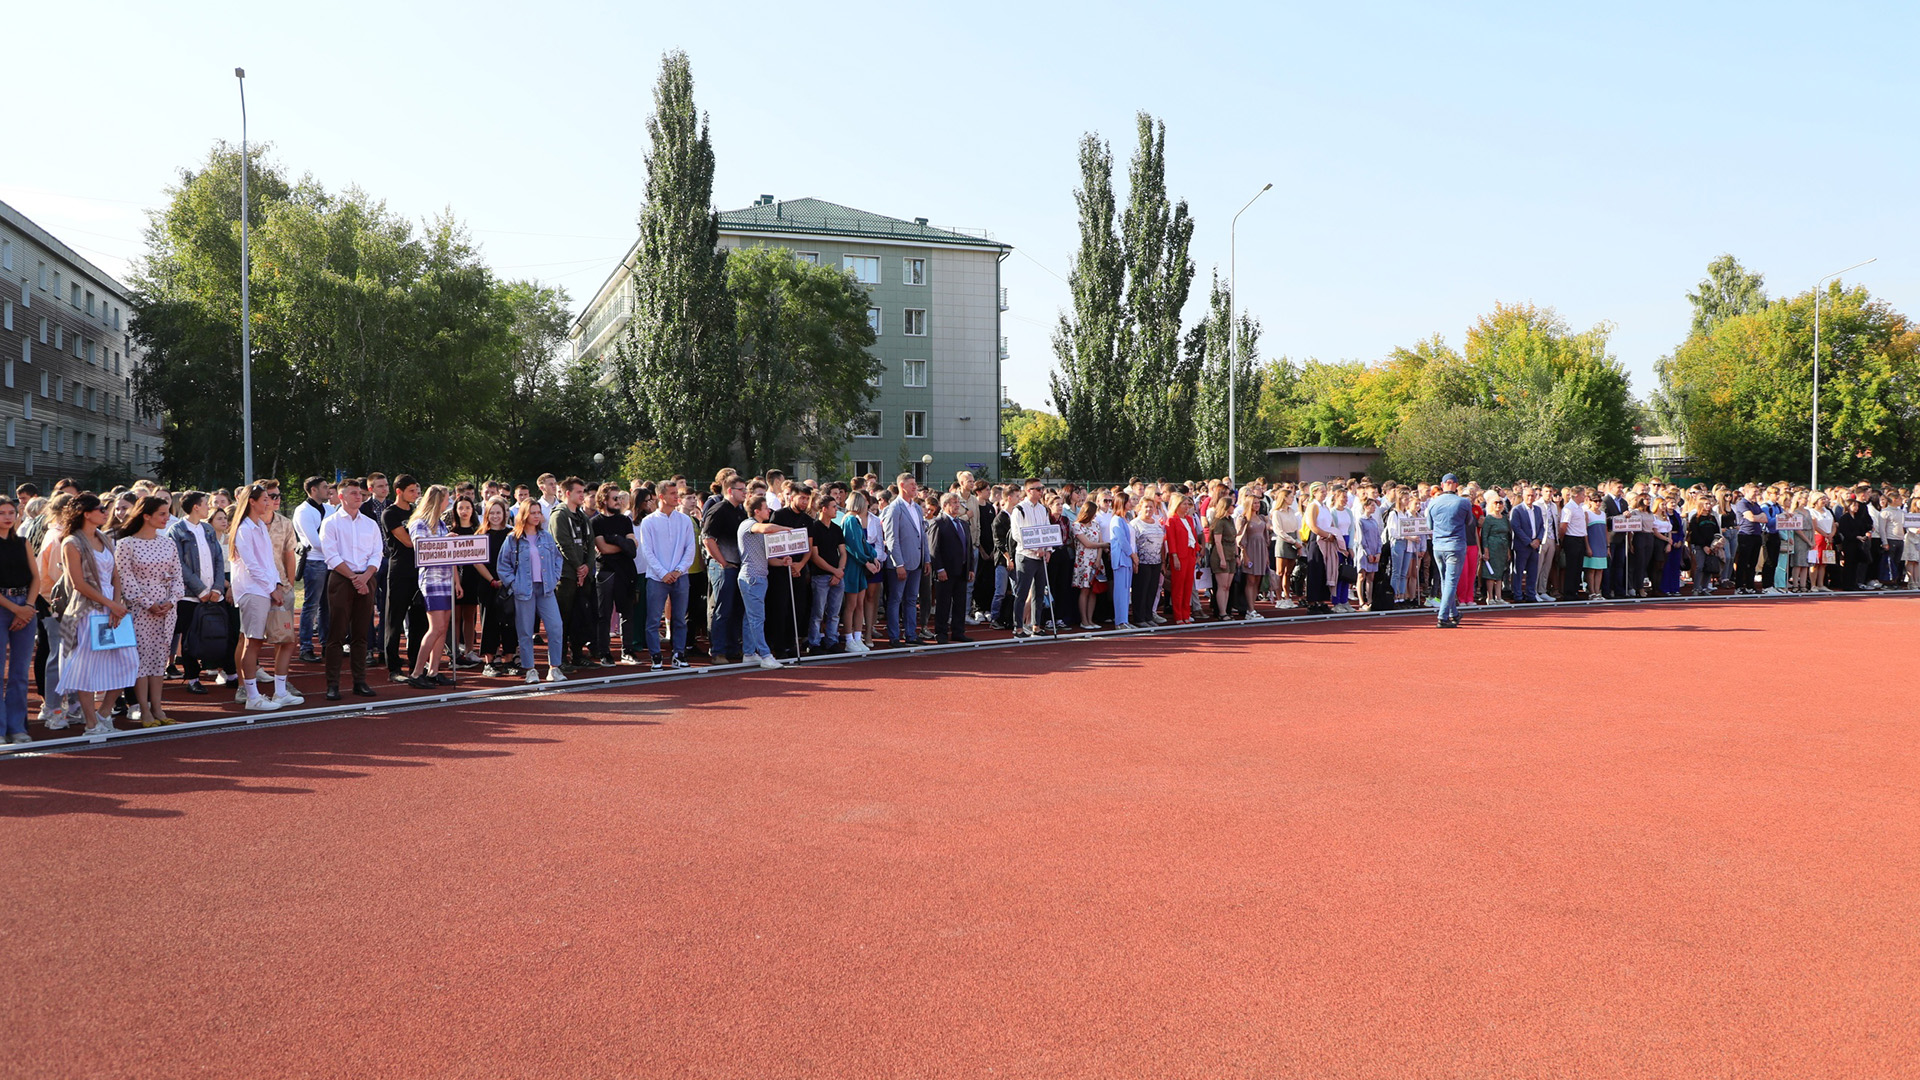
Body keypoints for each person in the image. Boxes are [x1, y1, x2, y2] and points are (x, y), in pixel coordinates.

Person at [55, 495, 137, 734]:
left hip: (113, 608)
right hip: (88, 610)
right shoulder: (71, 542)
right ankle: (91, 724)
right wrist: (110, 604)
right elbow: (78, 583)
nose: (105, 512)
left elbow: (116, 575)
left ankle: (103, 714)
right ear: (86, 513)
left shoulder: (104, 538)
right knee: (86, 667)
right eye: (101, 509)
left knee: (129, 661)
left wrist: (116, 604)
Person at [114, 496, 185, 727]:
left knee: (159, 658)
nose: (167, 518)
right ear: (146, 516)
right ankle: (143, 709)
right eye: (162, 514)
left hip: (167, 609)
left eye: (167, 513)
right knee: (141, 659)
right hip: (140, 610)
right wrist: (147, 603)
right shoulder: (126, 544)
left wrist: (171, 601)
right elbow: (124, 578)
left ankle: (158, 708)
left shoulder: (168, 543)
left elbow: (178, 576)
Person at [318, 478, 382, 700]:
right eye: (353, 493)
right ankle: (333, 685)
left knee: (361, 634)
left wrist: (364, 577)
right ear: (341, 496)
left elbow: (377, 554)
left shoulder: (370, 524)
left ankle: (360, 682)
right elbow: (331, 555)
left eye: (360, 493)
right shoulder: (331, 523)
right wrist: (354, 578)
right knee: (336, 633)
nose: (359, 496)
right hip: (342, 579)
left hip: (366, 578)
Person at [227, 485, 290, 711]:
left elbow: (268, 561)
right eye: (264, 499)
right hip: (252, 591)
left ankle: (278, 692)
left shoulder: (260, 526)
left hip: (265, 589)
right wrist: (271, 588)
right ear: (251, 502)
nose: (268, 502)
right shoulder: (244, 529)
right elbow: (252, 564)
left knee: (269, 640)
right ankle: (252, 696)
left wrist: (277, 584)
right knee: (252, 641)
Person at [496, 498, 567, 684]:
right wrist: (514, 584)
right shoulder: (512, 539)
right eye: (533, 513)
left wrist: (554, 577)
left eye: (538, 513)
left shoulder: (546, 536)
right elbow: (503, 565)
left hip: (546, 589)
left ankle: (554, 668)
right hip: (524, 590)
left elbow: (557, 558)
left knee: (555, 626)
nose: (537, 516)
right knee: (525, 631)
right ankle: (530, 669)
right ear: (524, 515)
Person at [405, 485, 459, 689]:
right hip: (432, 580)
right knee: (435, 627)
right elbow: (422, 551)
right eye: (446, 499)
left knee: (443, 627)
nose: (449, 503)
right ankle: (417, 672)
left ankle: (433, 671)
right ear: (438, 500)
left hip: (445, 579)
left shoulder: (441, 523)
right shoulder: (419, 523)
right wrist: (445, 542)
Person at [640, 478, 697, 670]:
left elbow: (690, 548)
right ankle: (656, 656)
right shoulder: (648, 522)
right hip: (657, 578)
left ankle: (679, 654)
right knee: (653, 620)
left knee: (680, 618)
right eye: (673, 494)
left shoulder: (685, 520)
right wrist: (664, 573)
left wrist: (678, 571)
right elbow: (647, 551)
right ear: (661, 497)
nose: (676, 497)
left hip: (681, 577)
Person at [736, 494, 796, 669]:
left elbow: (768, 559)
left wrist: (783, 562)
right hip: (752, 578)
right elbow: (765, 528)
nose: (769, 511)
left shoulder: (759, 530)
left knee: (750, 618)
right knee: (757, 618)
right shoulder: (749, 525)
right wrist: (785, 529)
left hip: (759, 578)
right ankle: (765, 654)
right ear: (756, 511)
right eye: (765, 508)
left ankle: (749, 653)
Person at [0, 498, 40, 743]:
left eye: (11, 512)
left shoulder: (23, 542)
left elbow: (36, 577)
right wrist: (16, 609)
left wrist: (28, 607)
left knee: (20, 671)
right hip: (4, 606)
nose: (7, 517)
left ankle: (17, 727)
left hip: (25, 604)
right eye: (2, 513)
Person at [381, 476, 427, 678]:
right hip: (399, 572)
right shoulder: (390, 513)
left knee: (419, 621)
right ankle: (393, 668)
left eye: (417, 490)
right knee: (395, 620)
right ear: (399, 491)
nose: (415, 494)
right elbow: (409, 541)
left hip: (419, 571)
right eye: (411, 491)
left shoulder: (418, 512)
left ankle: (416, 666)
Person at [588, 483, 638, 666]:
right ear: (604, 500)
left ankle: (628, 651)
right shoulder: (596, 522)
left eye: (619, 498)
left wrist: (616, 540)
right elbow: (603, 548)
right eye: (615, 498)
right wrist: (623, 545)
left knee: (627, 612)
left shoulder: (625, 521)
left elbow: (633, 546)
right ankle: (604, 652)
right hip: (606, 572)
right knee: (604, 613)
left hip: (626, 571)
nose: (619, 502)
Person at [550, 477, 597, 669]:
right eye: (579, 492)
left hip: (583, 575)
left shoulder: (582, 516)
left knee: (580, 616)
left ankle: (577, 654)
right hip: (566, 575)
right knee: (563, 617)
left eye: (583, 492)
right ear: (568, 493)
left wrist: (587, 567)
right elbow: (563, 544)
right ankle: (560, 658)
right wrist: (579, 567)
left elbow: (591, 543)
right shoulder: (559, 515)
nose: (582, 495)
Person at [702, 476, 749, 665]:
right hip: (723, 566)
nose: (745, 493)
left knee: (736, 609)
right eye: (741, 490)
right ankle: (718, 651)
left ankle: (732, 648)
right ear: (730, 490)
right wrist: (723, 562)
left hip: (737, 566)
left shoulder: (740, 511)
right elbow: (707, 538)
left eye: (745, 489)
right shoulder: (718, 509)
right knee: (722, 609)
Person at [882, 473, 928, 646]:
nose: (915, 487)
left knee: (911, 599)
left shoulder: (916, 508)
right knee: (895, 599)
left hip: (916, 562)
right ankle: (894, 637)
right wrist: (898, 564)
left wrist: (926, 559)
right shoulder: (894, 509)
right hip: (900, 564)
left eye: (915, 484)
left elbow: (922, 536)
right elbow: (892, 538)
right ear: (902, 486)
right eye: (912, 485)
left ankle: (911, 634)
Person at [1424, 474, 1474, 628]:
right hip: (1455, 545)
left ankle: (1453, 613)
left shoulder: (1433, 502)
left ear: (1442, 485)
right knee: (1451, 582)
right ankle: (1442, 616)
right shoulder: (1463, 502)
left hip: (1438, 546)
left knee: (1446, 581)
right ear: (1456, 485)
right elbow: (1469, 521)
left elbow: (1430, 526)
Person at [928, 492, 975, 644]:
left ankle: (958, 632)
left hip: (962, 570)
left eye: (958, 503)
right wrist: (939, 569)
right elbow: (934, 549)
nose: (957, 505)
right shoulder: (938, 523)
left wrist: (970, 568)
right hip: (946, 571)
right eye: (954, 503)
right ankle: (941, 633)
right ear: (945, 505)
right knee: (943, 603)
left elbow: (968, 548)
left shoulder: (963, 524)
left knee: (960, 603)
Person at [476, 497, 515, 675]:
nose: (495, 516)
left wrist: (506, 580)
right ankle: (489, 663)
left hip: (509, 584)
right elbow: (477, 562)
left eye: (498, 512)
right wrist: (492, 580)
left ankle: (509, 660)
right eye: (492, 513)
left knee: (509, 623)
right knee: (489, 623)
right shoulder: (481, 534)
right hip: (487, 584)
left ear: (505, 514)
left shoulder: (512, 533)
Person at [805, 491, 848, 654]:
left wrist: (839, 571)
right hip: (820, 576)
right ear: (824, 509)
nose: (836, 509)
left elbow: (843, 552)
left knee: (834, 613)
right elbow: (815, 556)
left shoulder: (836, 529)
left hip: (837, 576)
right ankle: (814, 642)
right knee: (818, 612)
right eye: (833, 507)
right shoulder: (814, 528)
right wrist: (835, 571)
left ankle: (832, 640)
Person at [838, 491, 880, 654]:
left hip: (860, 566)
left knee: (860, 604)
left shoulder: (855, 520)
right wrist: (867, 561)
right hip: (852, 567)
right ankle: (849, 639)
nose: (867, 505)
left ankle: (857, 636)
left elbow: (864, 543)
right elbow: (853, 546)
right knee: (851, 604)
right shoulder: (849, 520)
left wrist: (873, 556)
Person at [448, 493, 487, 667]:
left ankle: (470, 651)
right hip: (456, 577)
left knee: (470, 616)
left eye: (468, 508)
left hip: (473, 576)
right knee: (455, 617)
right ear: (455, 510)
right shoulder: (451, 531)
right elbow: (450, 559)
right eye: (461, 508)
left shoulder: (479, 531)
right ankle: (455, 653)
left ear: (473, 510)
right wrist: (456, 582)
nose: (464, 511)